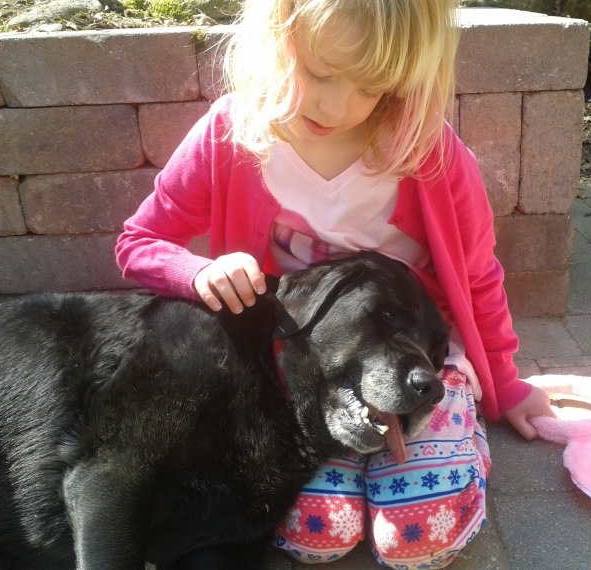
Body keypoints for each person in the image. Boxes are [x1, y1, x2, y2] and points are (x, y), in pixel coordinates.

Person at [116, 0, 555, 567]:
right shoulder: (233, 133)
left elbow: (478, 278)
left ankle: (457, 437)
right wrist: (197, 271)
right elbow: (139, 241)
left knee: (416, 538)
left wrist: (505, 383)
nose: (335, 105)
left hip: (420, 360)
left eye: (370, 86)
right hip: (304, 368)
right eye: (319, 73)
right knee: (313, 535)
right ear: (278, 38)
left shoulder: (430, 152)